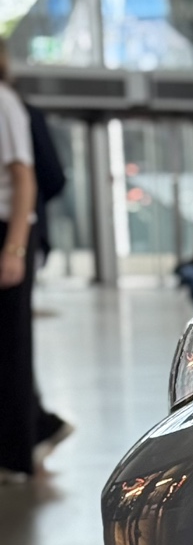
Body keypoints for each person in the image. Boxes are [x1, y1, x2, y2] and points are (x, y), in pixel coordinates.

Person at [0, 38, 40, 484]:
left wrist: (14, 249)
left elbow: (24, 178)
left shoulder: (4, 102)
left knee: (11, 349)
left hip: (8, 230)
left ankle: (16, 457)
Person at [26, 99, 74, 468]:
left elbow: (51, 176)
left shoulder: (15, 110)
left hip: (18, 235)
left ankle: (36, 426)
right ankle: (35, 425)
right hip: (24, 231)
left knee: (12, 343)